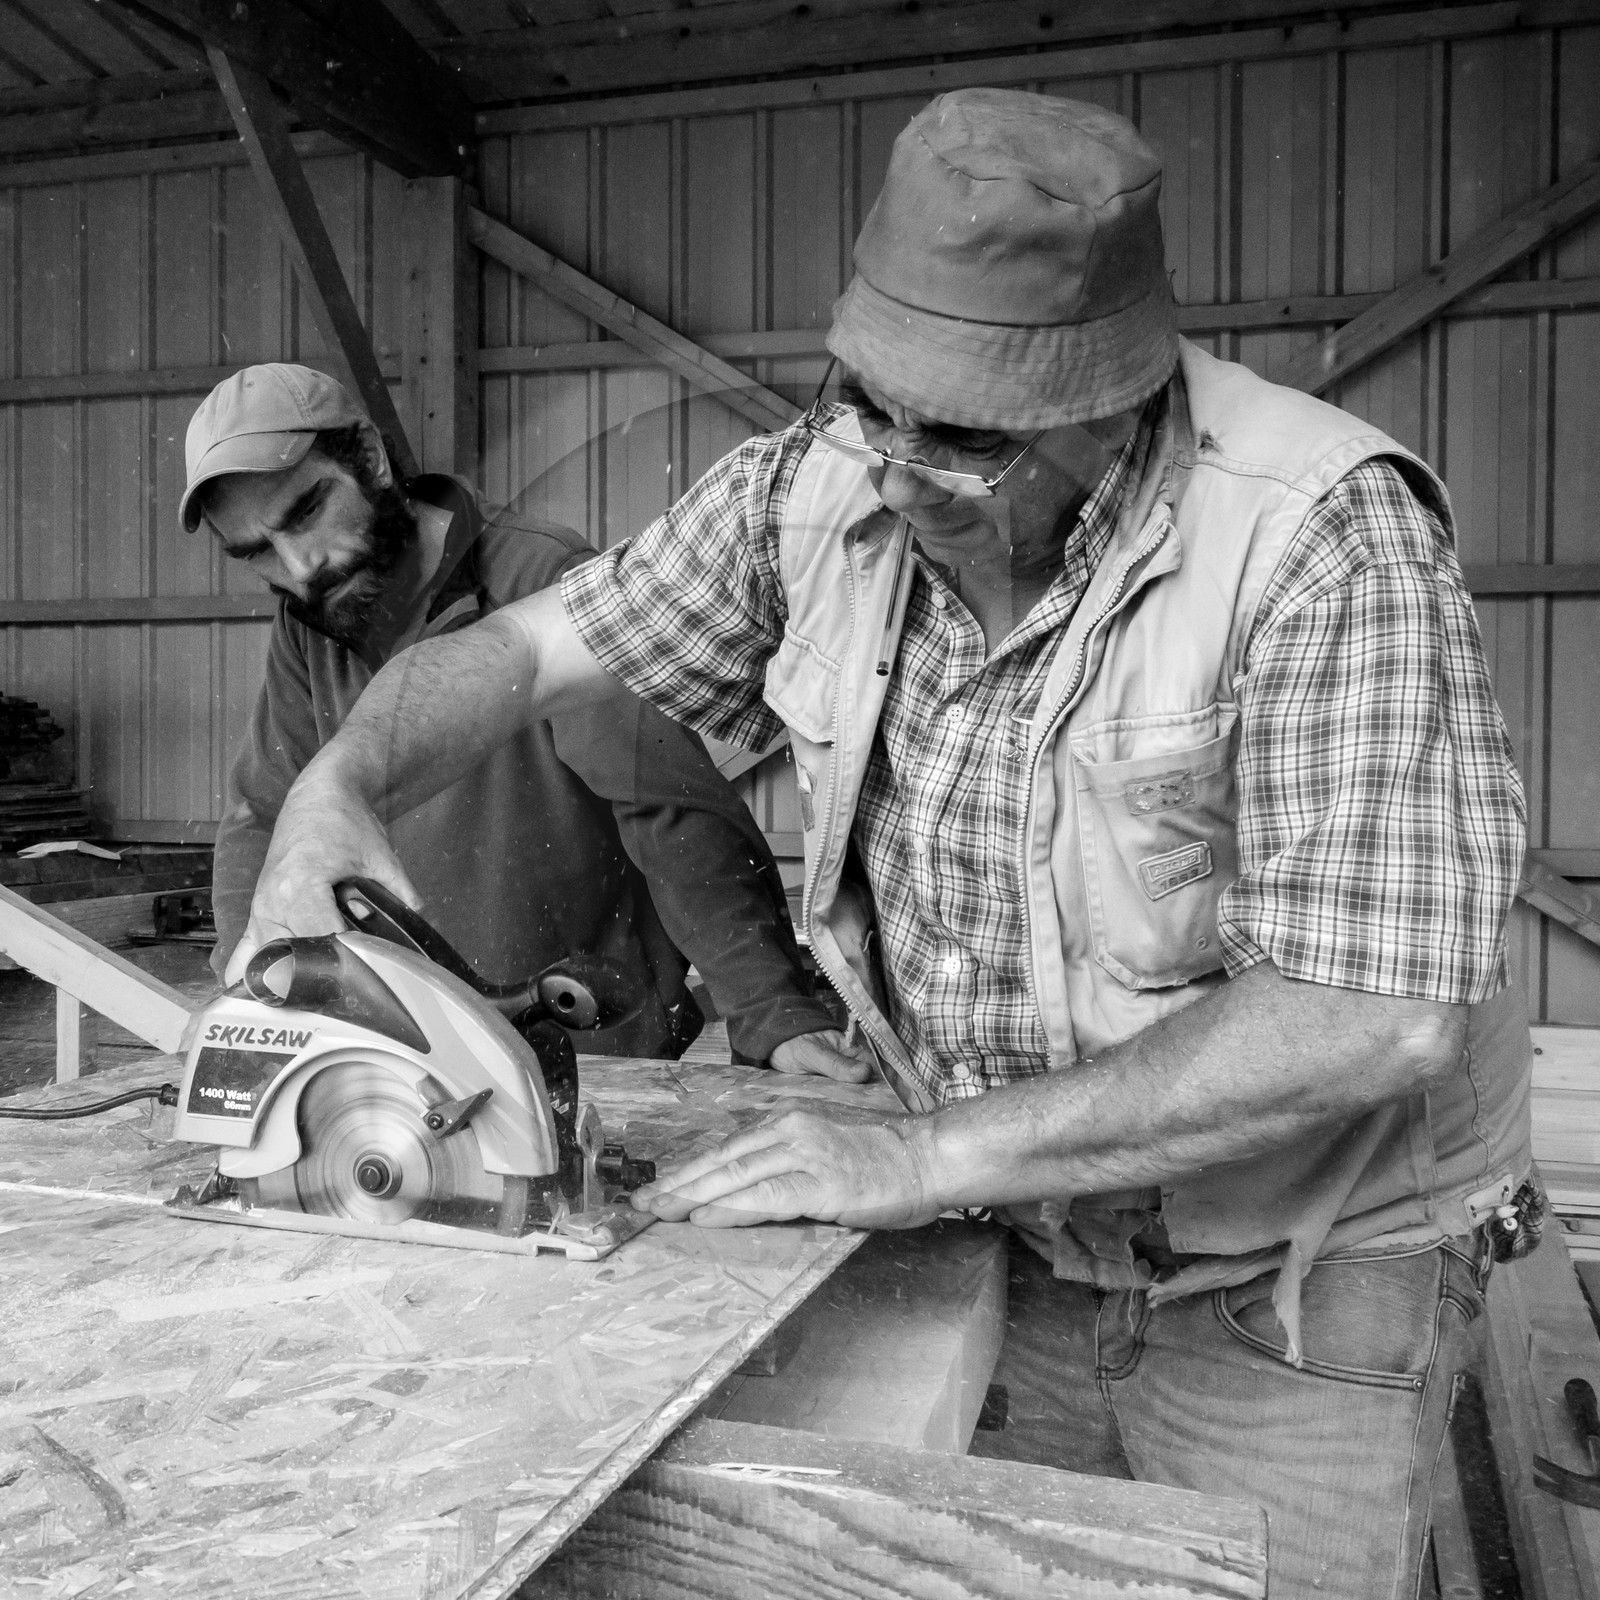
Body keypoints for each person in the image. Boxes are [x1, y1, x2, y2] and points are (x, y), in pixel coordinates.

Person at [222, 94, 1532, 1597]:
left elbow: (1374, 1013)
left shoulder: (1318, 537)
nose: (897, 475)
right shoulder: (826, 481)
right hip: (1015, 1236)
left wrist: (915, 1154)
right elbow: (517, 656)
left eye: (961, 439)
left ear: (1111, 396)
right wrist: (340, 786)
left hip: (1288, 1295)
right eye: (868, 403)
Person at [182, 362, 850, 1067]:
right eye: (256, 551)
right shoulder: (311, 624)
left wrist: (773, 1010)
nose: (299, 566)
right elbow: (263, 818)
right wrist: (247, 987)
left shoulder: (539, 577)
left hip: (583, 1041)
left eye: (308, 511)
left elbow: (671, 812)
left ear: (371, 460)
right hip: (398, 1054)